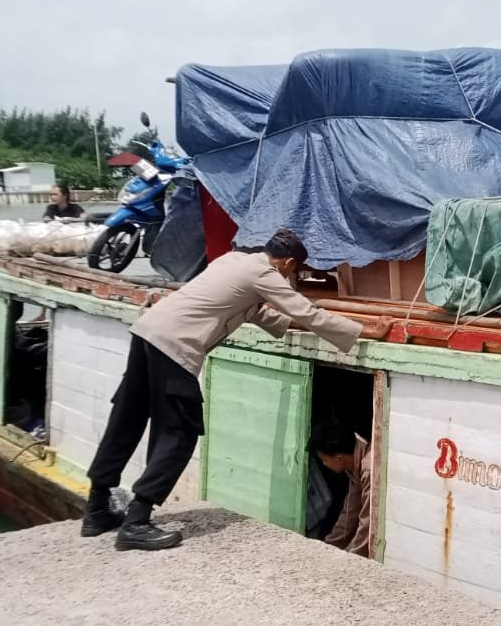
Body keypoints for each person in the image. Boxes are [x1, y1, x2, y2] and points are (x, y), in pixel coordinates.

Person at [82, 228, 392, 552]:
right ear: (287, 263)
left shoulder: (233, 262)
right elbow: (305, 311)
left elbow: (264, 315)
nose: (292, 277)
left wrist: (321, 326)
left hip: (148, 331)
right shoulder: (264, 273)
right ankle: (136, 522)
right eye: (294, 271)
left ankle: (97, 508)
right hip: (175, 347)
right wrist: (362, 331)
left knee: (127, 419)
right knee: (179, 433)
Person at [308, 422, 373, 557]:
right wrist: (329, 545)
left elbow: (368, 522)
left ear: (338, 459)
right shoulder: (355, 461)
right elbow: (351, 510)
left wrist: (350, 557)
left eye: (324, 460)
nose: (324, 464)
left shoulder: (368, 470)